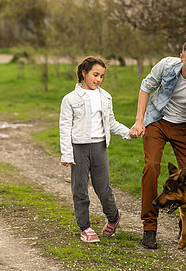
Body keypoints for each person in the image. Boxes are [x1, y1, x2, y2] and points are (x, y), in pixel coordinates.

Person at [129, 40, 186, 249]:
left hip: (185, 127)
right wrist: (139, 120)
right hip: (158, 121)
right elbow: (145, 87)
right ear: (181, 57)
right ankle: (149, 227)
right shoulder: (166, 66)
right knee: (151, 167)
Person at [59, 56, 131, 243]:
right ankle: (85, 227)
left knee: (103, 188)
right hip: (78, 149)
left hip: (99, 147)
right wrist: (67, 153)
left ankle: (113, 217)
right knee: (80, 189)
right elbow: (65, 127)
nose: (98, 79)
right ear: (84, 73)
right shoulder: (70, 99)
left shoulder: (105, 97)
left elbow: (112, 123)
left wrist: (129, 133)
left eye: (102, 76)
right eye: (95, 75)